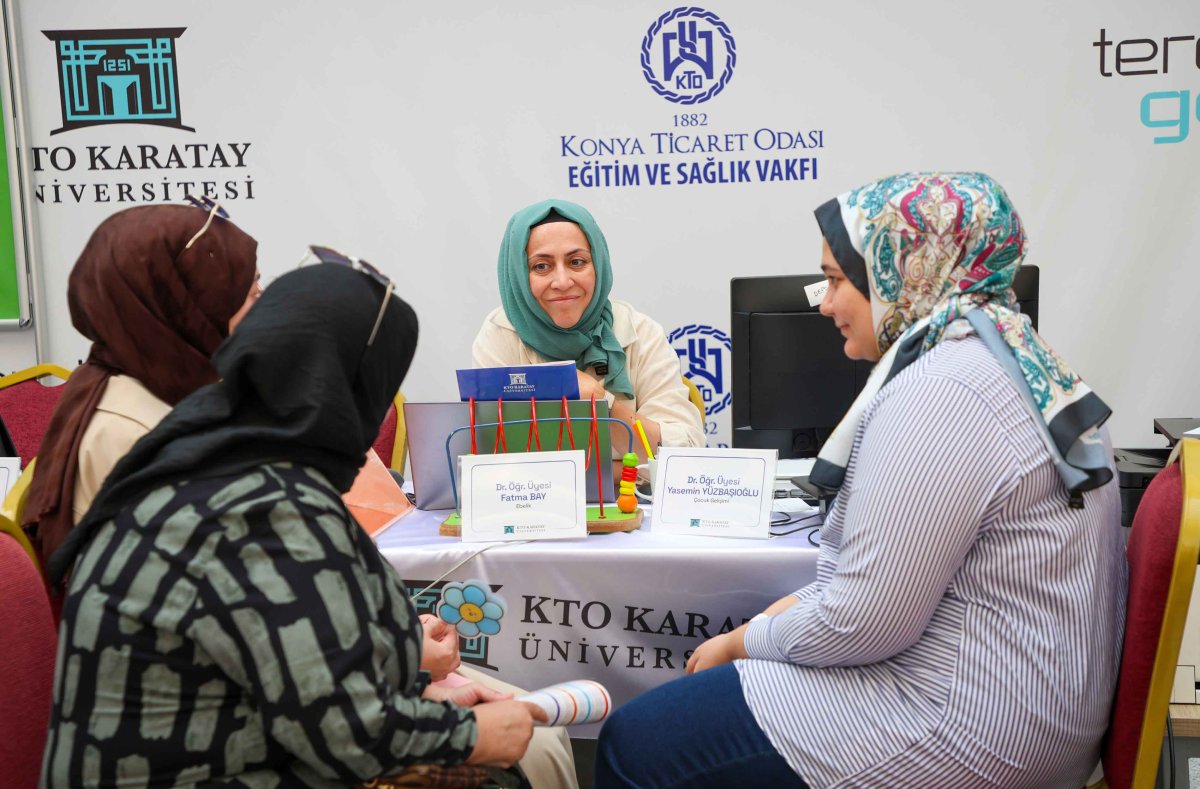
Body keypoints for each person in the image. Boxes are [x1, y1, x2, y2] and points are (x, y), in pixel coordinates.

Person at [594, 172, 1127, 788]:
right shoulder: (1021, 364)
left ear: (906, 274)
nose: (823, 304)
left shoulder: (942, 392)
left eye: (837, 280)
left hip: (964, 725)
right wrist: (762, 629)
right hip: (1029, 711)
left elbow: (860, 623)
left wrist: (743, 642)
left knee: (633, 744)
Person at [42, 262, 547, 788]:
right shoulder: (265, 502)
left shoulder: (208, 447)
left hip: (214, 750)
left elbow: (291, 667)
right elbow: (349, 737)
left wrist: (412, 683)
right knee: (501, 773)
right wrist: (472, 734)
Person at [23, 201, 260, 569]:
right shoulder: (136, 433)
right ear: (187, 307)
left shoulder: (155, 384)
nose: (263, 307)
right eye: (249, 294)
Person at [473, 199, 704, 465]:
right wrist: (619, 471)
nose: (562, 282)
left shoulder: (640, 333)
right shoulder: (500, 335)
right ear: (518, 274)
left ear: (598, 266)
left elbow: (683, 459)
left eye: (577, 262)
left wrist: (601, 404)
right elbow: (495, 464)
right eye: (541, 266)